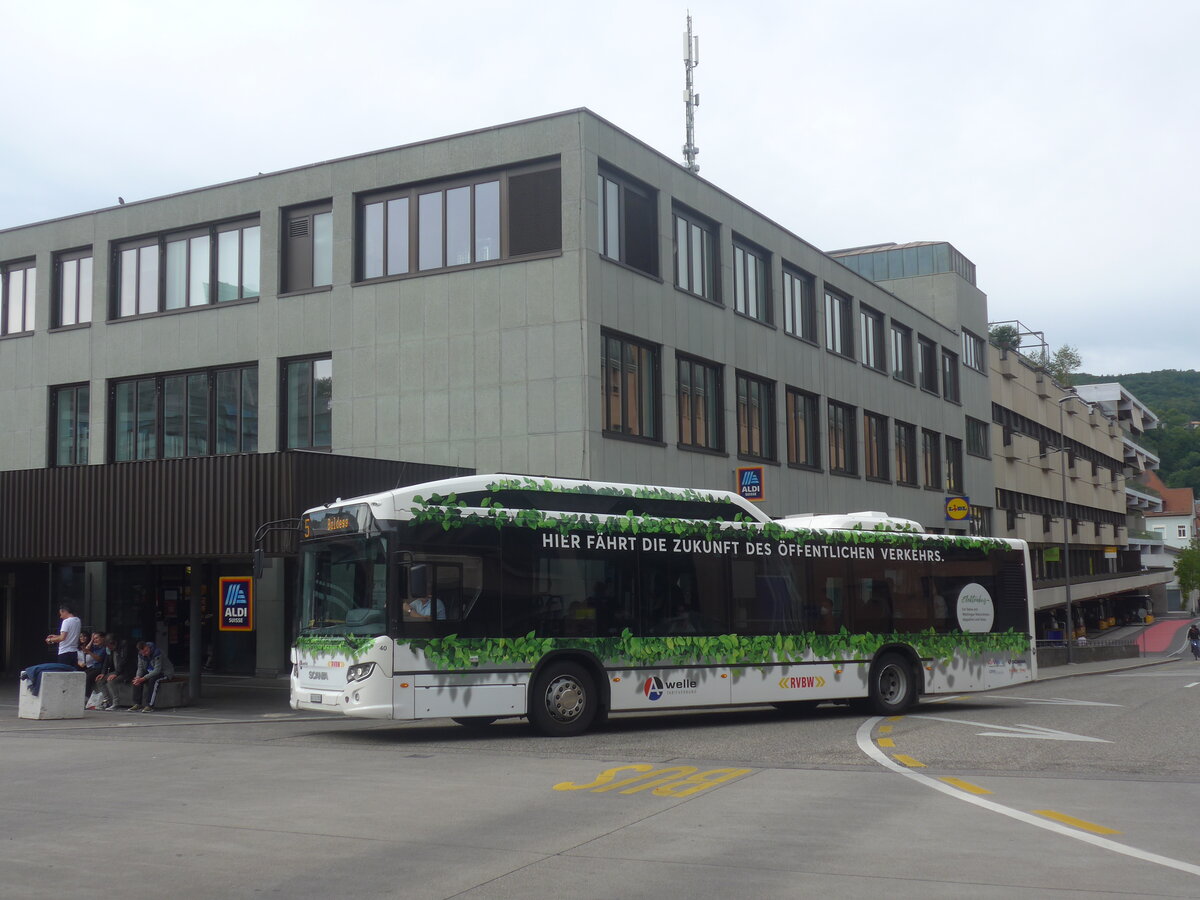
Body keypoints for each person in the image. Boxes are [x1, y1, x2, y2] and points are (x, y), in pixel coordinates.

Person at [129, 641, 174, 712]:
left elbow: (157, 670)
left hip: (164, 672)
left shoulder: (157, 653)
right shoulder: (140, 655)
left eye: (146, 651)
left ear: (148, 647)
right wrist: (138, 677)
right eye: (143, 652)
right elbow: (140, 667)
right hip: (150, 671)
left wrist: (144, 678)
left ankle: (149, 705)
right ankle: (137, 703)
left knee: (153, 680)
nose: (145, 653)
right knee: (136, 680)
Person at [97, 635, 135, 710]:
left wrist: (116, 673)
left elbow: (124, 661)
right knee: (100, 680)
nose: (109, 648)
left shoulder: (124, 647)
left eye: (109, 646)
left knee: (111, 680)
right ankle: (106, 701)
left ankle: (116, 703)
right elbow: (106, 661)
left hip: (126, 671)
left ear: (114, 643)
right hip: (116, 671)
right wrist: (103, 673)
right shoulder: (109, 649)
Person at [82, 632, 107, 701]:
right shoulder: (96, 646)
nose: (95, 640)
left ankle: (86, 697)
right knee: (82, 675)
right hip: (93, 667)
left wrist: (89, 652)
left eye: (97, 638)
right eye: (94, 638)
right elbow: (86, 649)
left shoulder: (105, 648)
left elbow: (99, 659)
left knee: (88, 677)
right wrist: (91, 640)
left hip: (100, 668)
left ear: (103, 638)